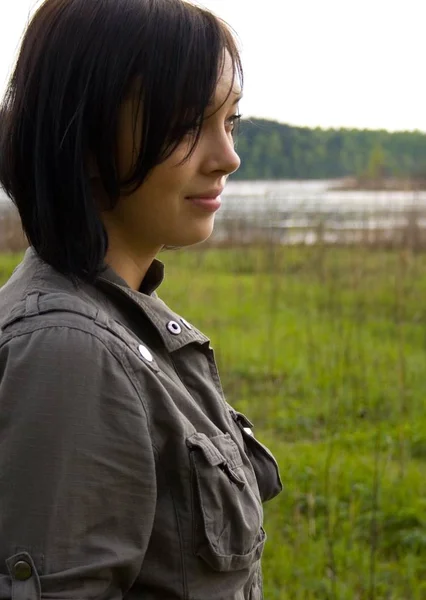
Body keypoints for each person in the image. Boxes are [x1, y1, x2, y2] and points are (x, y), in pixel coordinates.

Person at [0, 0, 282, 598]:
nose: (228, 157)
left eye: (230, 122)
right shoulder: (68, 352)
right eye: (186, 124)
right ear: (86, 133)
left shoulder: (122, 323)